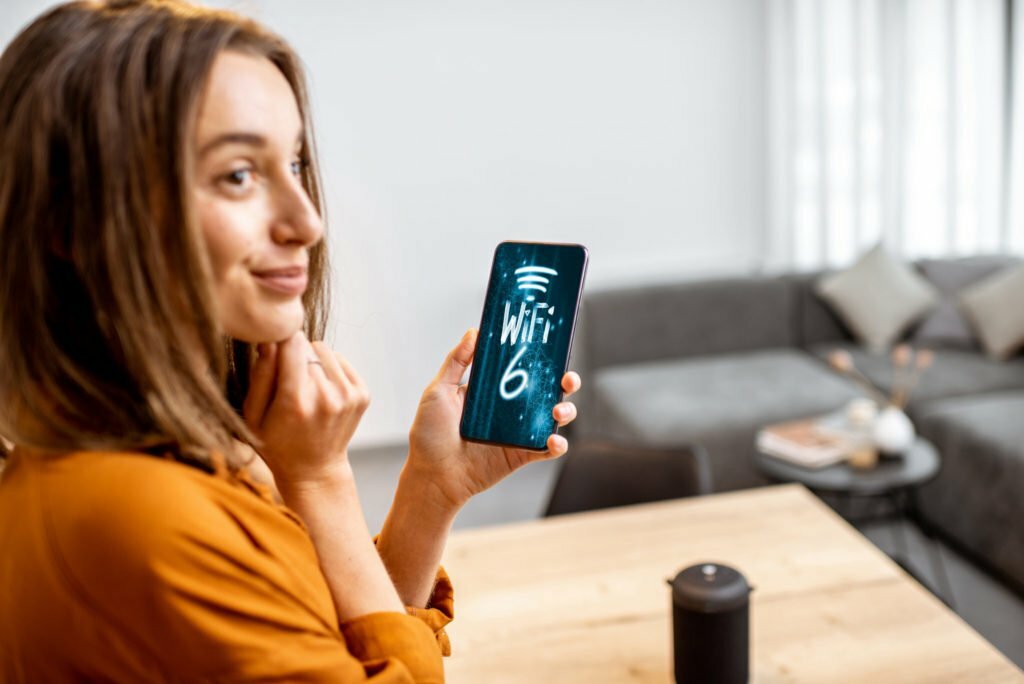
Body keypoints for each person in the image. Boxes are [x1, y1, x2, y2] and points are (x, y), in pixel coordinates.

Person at [0, 1, 582, 681]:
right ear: (73, 224)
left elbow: (341, 649)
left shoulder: (185, 462)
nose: (306, 221)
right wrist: (322, 481)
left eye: (297, 163)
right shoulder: (145, 520)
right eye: (238, 174)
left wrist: (432, 490)